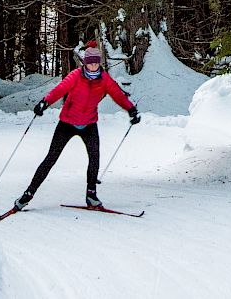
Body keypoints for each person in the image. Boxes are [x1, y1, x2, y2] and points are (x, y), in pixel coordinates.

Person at [13, 42, 141, 210]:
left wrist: (130, 109)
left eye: (96, 62)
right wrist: (45, 102)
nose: (93, 65)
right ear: (85, 63)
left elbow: (117, 95)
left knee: (94, 158)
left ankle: (91, 194)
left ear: (99, 63)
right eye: (90, 62)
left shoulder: (104, 80)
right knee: (51, 158)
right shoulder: (75, 76)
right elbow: (60, 89)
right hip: (67, 122)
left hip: (89, 124)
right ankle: (28, 194)